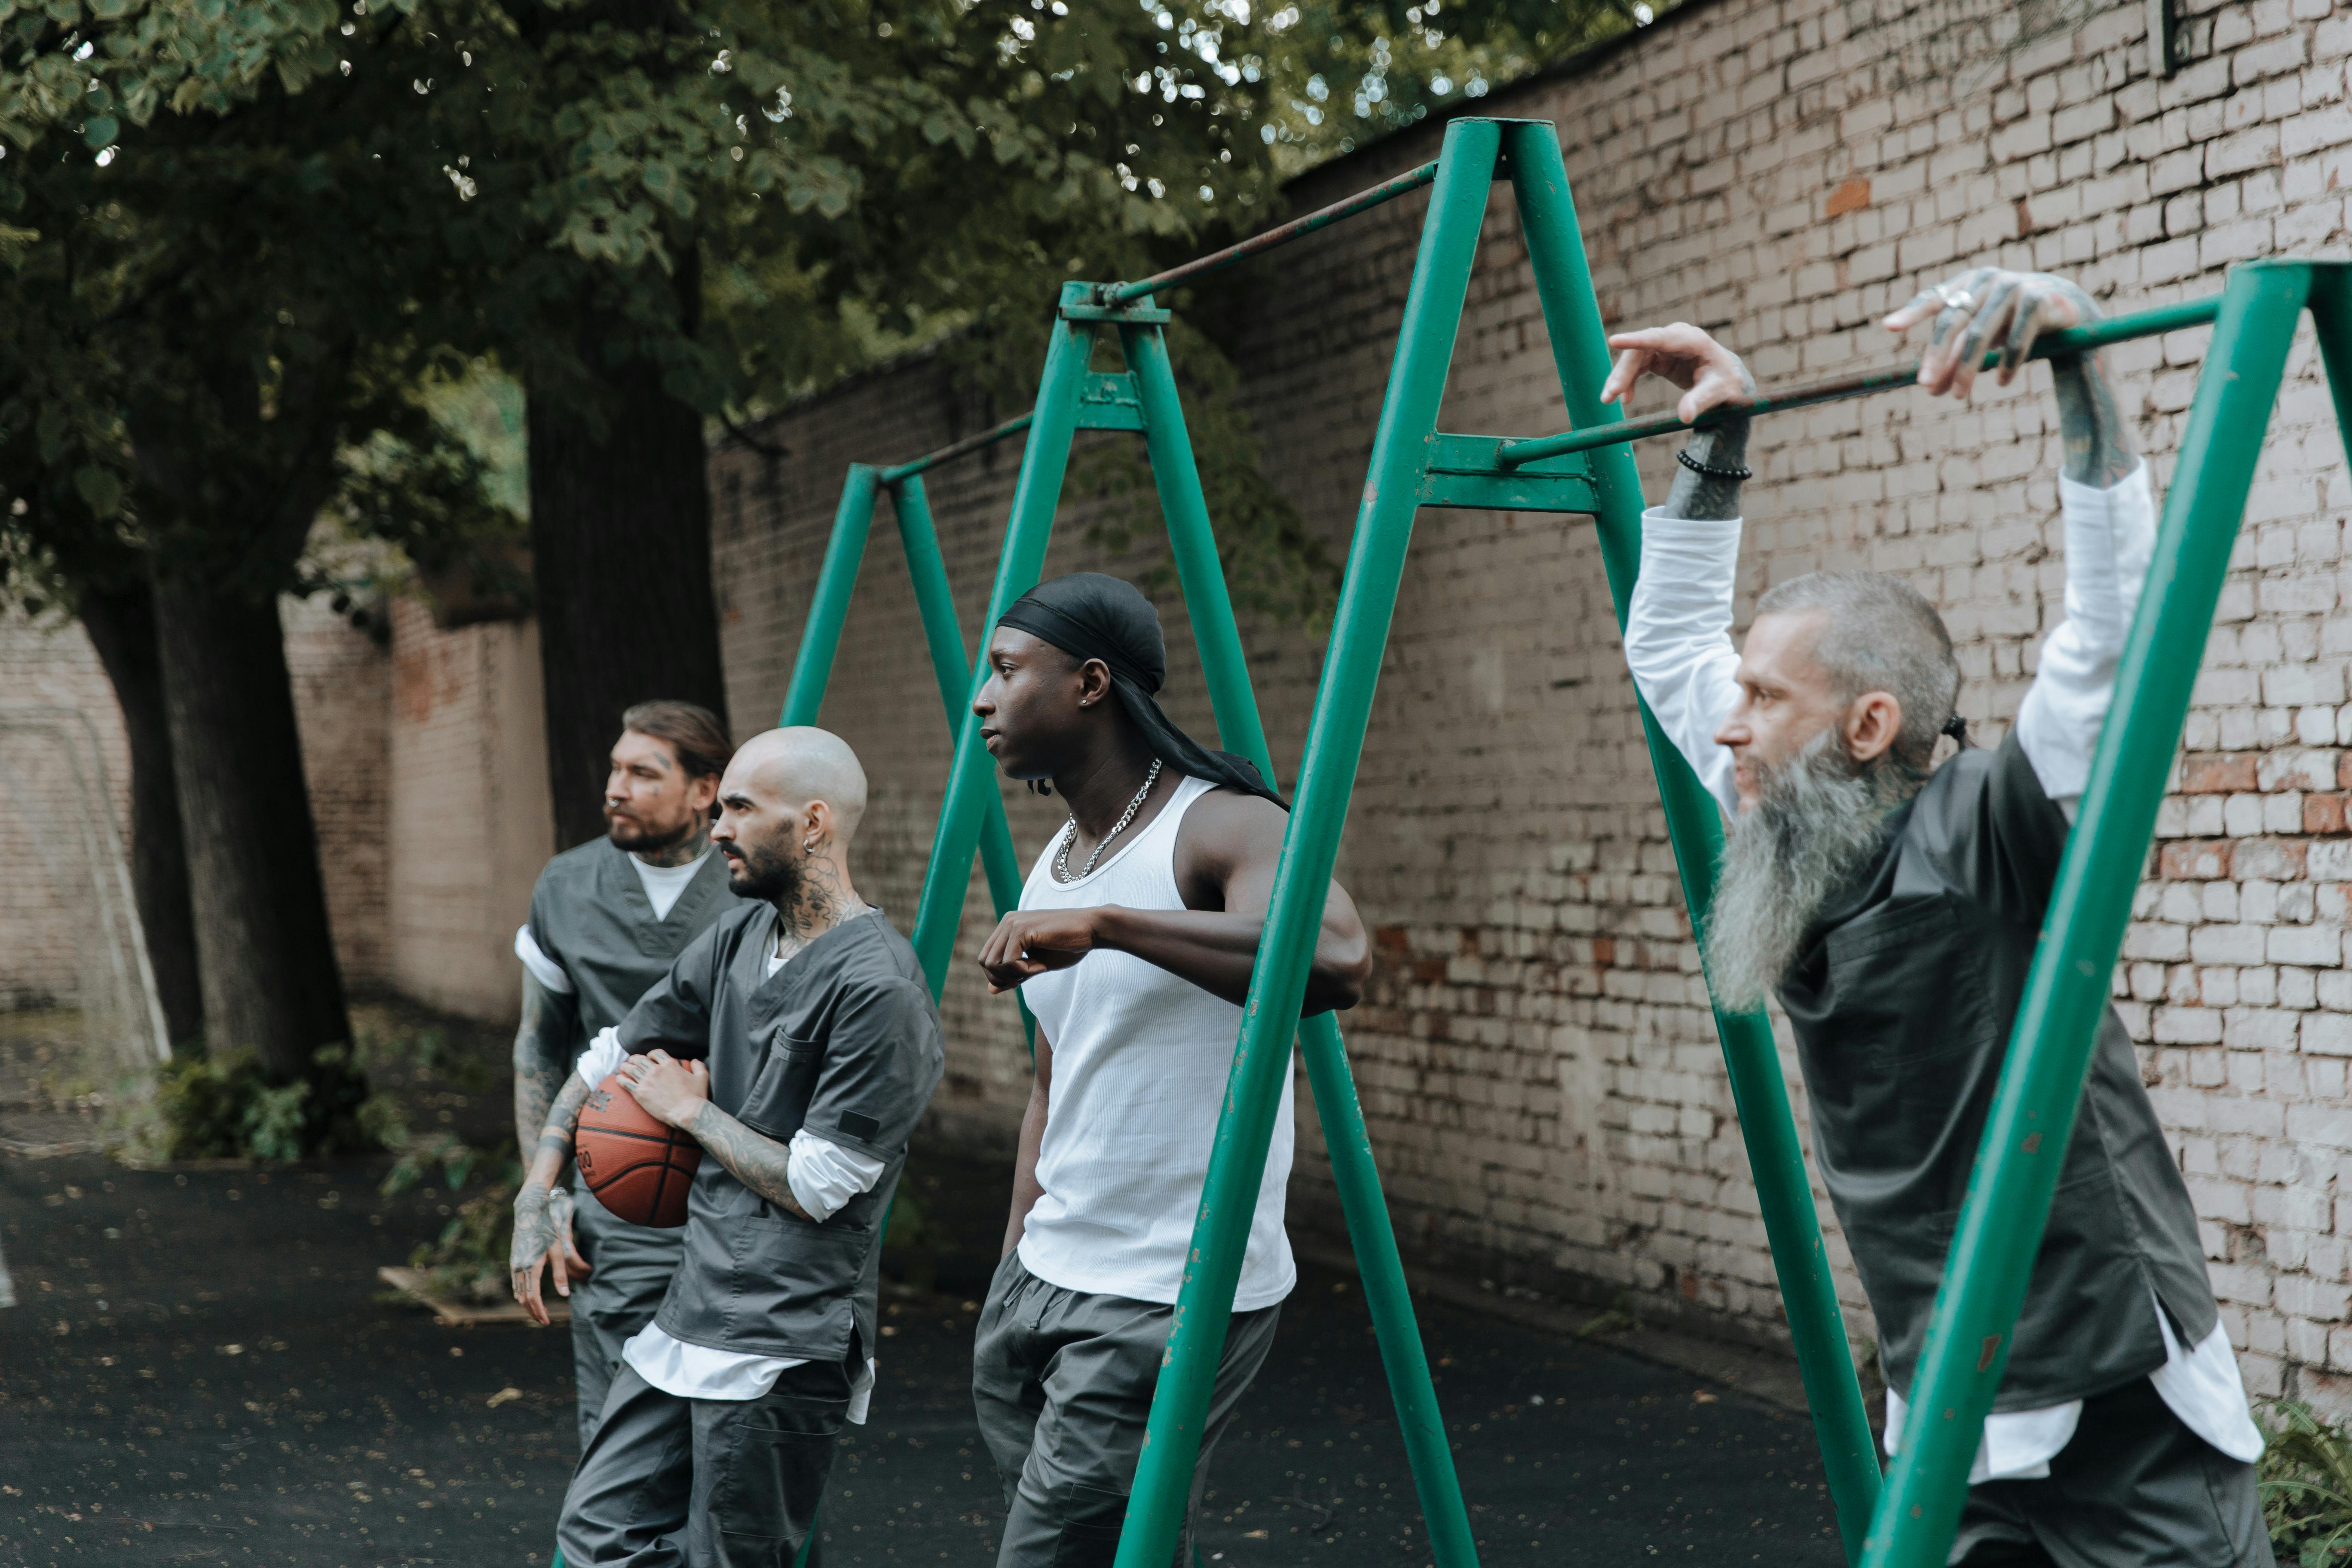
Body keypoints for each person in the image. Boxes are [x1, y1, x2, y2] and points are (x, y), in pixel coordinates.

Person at [1611, 269, 2270, 1565]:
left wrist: (2078, 367)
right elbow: (1665, 640)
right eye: (1736, 695)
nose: (1729, 720)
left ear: (1869, 728)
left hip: (2114, 1395)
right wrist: (1720, 434)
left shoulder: (1991, 823)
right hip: (1945, 1401)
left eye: (1765, 695)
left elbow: (2114, 641)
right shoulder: (1782, 812)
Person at [965, 572, 1374, 1568]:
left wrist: (1109, 927)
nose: (982, 696)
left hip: (1164, 1289)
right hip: (1043, 1276)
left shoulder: (1220, 823)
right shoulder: (1059, 857)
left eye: (1009, 670)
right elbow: (1055, 1083)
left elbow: (1334, 957)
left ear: (1093, 683)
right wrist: (1014, 1256)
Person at [511, 726, 945, 1568]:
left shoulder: (878, 988)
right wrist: (538, 1191)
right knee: (599, 1537)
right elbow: (606, 1059)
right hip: (688, 1310)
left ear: (814, 823)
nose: (718, 826)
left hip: (783, 1336)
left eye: (742, 808)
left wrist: (691, 1116)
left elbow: (824, 1186)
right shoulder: (740, 936)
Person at [511, 699, 747, 1445]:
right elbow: (538, 1050)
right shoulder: (567, 885)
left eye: (644, 774)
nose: (615, 788)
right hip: (618, 1189)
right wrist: (546, 1199)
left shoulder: (755, 883)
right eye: (616, 768)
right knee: (621, 1436)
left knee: (741, 1440)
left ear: (704, 790)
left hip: (741, 1187)